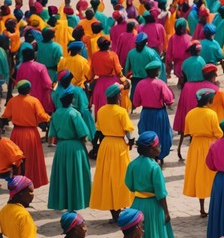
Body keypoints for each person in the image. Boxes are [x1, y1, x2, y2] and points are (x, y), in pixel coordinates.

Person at [126, 132, 179, 238]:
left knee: (139, 235)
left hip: (137, 203)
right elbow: (161, 193)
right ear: (151, 149)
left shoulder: (132, 164)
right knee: (154, 234)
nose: (160, 147)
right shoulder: (154, 167)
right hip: (153, 205)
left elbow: (129, 185)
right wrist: (166, 212)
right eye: (157, 145)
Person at [90, 83, 134, 222]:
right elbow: (128, 131)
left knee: (107, 177)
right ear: (117, 96)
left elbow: (99, 128)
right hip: (119, 146)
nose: (121, 95)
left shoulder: (101, 111)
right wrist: (131, 142)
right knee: (121, 177)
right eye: (120, 93)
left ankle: (114, 213)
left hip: (106, 145)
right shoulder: (121, 112)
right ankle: (120, 206)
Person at [46, 89, 92, 212]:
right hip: (75, 147)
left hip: (61, 147)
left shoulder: (56, 114)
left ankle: (63, 202)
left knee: (63, 176)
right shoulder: (74, 113)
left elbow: (52, 133)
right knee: (75, 175)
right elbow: (83, 134)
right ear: (72, 99)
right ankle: (75, 203)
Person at [182, 89, 224, 217]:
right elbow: (218, 133)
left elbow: (187, 131)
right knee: (211, 175)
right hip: (209, 145)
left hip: (195, 146)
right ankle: (214, 206)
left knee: (199, 175)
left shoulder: (190, 113)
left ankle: (202, 208)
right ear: (209, 100)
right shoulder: (211, 114)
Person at [1, 80, 50, 187]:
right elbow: (42, 116)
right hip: (31, 133)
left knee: (17, 159)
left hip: (17, 133)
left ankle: (17, 182)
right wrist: (49, 118)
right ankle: (32, 181)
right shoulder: (34, 101)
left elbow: (5, 116)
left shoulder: (12, 101)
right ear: (29, 89)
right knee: (31, 158)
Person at [132, 60, 174, 164]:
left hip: (146, 113)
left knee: (146, 133)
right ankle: (160, 155)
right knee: (163, 134)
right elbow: (169, 99)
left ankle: (148, 156)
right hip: (159, 114)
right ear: (156, 72)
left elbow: (136, 102)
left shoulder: (140, 84)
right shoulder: (160, 84)